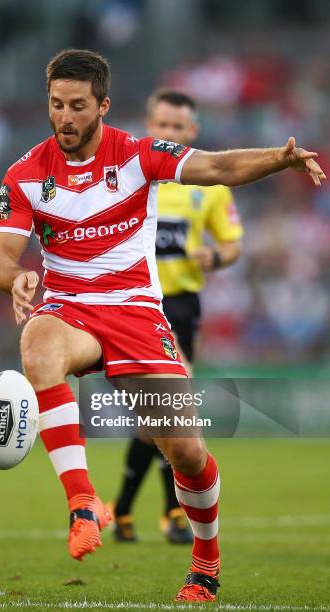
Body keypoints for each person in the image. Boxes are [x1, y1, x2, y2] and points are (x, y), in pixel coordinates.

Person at [0, 49, 325, 603]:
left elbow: (215, 168)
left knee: (186, 452)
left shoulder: (137, 155)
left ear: (102, 106)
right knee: (37, 343)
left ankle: (206, 563)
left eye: (77, 106)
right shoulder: (26, 174)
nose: (64, 118)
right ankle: (82, 502)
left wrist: (278, 158)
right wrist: (15, 280)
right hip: (70, 310)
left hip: (136, 316)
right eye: (55, 105)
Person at [112, 90, 243, 545]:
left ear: (193, 133)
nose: (169, 134)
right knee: (165, 414)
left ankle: (129, 510)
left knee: (159, 418)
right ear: (149, 127)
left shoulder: (208, 187)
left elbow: (232, 243)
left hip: (182, 304)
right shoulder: (129, 177)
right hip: (135, 304)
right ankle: (167, 513)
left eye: (178, 127)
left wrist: (216, 256)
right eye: (161, 126)